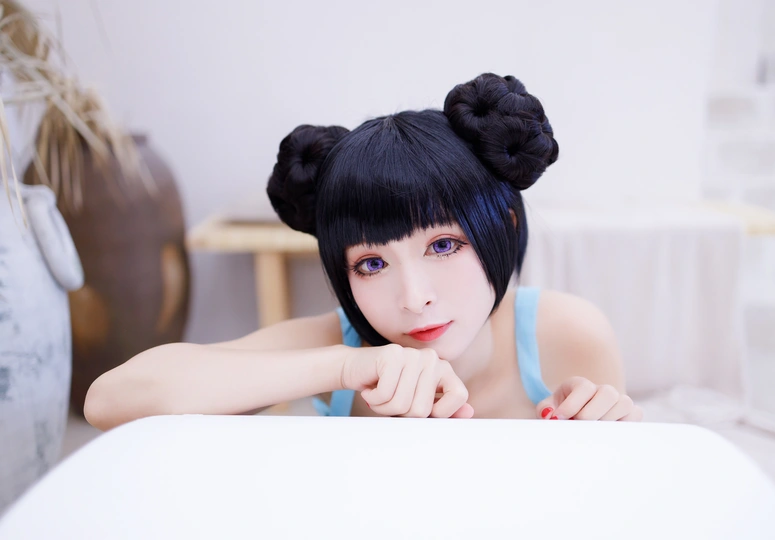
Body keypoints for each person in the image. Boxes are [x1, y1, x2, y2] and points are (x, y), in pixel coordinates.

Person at [84, 73, 642, 431]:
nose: (414, 298)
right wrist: (347, 366)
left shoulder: (565, 336)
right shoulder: (343, 345)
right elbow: (109, 401)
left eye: (443, 245)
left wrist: (616, 433)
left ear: (506, 223)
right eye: (372, 263)